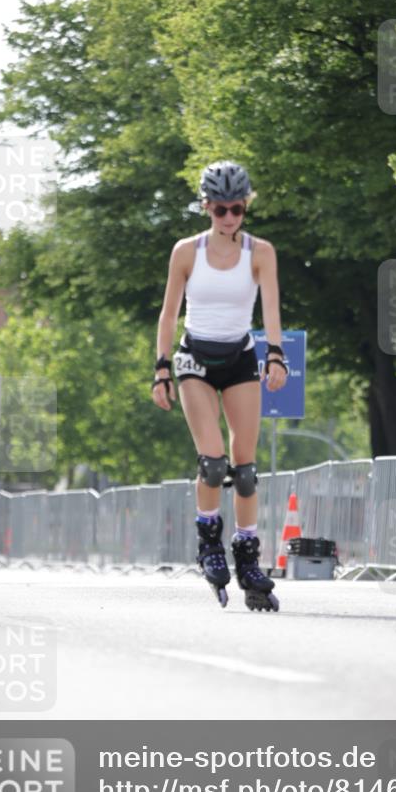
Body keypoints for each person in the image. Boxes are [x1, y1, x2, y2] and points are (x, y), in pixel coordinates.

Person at [151, 160, 288, 611]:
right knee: (213, 462)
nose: (229, 218)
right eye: (221, 210)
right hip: (195, 359)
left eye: (237, 209)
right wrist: (162, 368)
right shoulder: (185, 252)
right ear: (206, 207)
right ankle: (209, 541)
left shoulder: (261, 253)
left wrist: (275, 355)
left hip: (240, 357)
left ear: (246, 207)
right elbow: (169, 313)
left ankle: (247, 556)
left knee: (245, 470)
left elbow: (270, 310)